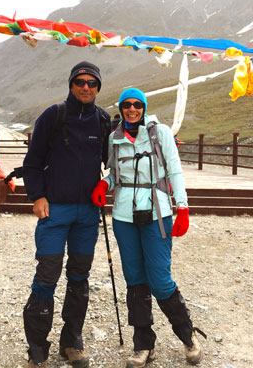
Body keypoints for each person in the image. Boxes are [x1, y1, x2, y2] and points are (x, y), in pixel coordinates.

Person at [91, 88, 204, 368]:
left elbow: (175, 171)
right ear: (121, 107)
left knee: (160, 279)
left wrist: (183, 207)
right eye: (127, 105)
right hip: (124, 216)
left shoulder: (160, 133)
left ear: (144, 107)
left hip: (158, 212)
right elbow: (116, 172)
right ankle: (143, 345)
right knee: (135, 280)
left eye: (137, 105)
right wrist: (106, 183)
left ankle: (188, 337)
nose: (132, 109)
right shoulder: (115, 137)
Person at [22, 62, 110, 368]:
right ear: (71, 84)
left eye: (92, 83)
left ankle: (72, 342)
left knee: (79, 277)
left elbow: (111, 163)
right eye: (80, 82)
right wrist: (37, 196)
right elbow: (32, 162)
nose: (86, 87)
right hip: (54, 210)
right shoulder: (54, 115)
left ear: (98, 87)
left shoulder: (102, 120)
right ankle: (37, 349)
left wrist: (105, 183)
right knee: (47, 276)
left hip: (88, 212)